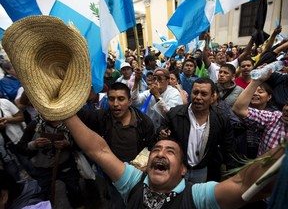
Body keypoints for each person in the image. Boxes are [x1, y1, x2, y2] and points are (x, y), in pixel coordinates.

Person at [64, 115, 285, 209]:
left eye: (170, 152)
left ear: (182, 170)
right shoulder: (132, 182)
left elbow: (242, 184)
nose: (160, 153)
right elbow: (99, 149)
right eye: (156, 149)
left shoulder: (197, 196)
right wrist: (64, 111)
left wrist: (283, 151)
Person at [77, 82, 155, 209]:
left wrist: (144, 166)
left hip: (137, 178)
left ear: (130, 101)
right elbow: (82, 116)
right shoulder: (102, 117)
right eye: (111, 99)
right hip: (112, 176)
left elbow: (152, 147)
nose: (115, 104)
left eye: (121, 99)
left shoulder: (144, 122)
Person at [158, 77, 236, 183]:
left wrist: (232, 172)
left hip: (205, 170)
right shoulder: (175, 114)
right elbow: (161, 132)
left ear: (213, 97)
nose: (198, 97)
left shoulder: (221, 118)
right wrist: (162, 133)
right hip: (178, 168)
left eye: (204, 94)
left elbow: (228, 146)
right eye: (195, 92)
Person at [16, 116, 84, 209]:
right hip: (42, 169)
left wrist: (68, 144)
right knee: (43, 194)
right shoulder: (34, 125)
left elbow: (81, 143)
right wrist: (34, 144)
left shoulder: (68, 123)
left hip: (65, 164)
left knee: (74, 189)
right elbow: (21, 147)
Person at [232, 69, 287, 156]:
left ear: (269, 97)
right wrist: (257, 81)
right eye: (287, 104)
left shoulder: (272, 111)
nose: (255, 94)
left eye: (260, 92)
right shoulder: (274, 118)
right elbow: (239, 109)